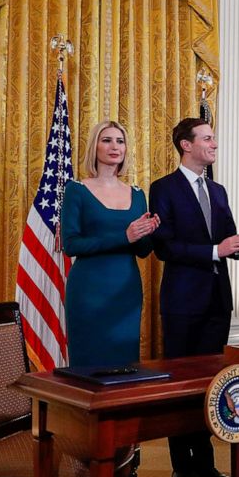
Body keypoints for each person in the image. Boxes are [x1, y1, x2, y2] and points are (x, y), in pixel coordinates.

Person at [150, 117, 239, 477]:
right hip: (182, 301)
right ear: (185, 144)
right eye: (208, 138)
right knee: (181, 386)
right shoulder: (162, 188)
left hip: (217, 301)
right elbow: (164, 247)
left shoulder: (219, 190)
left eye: (214, 137)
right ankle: (183, 468)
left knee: (211, 386)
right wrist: (216, 250)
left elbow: (225, 241)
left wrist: (238, 245)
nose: (214, 143)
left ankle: (207, 465)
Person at [62, 120, 160, 367]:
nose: (115, 146)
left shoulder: (137, 194)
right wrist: (124, 236)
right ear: (95, 147)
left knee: (124, 366)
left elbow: (142, 251)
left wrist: (149, 232)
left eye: (120, 141)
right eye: (107, 140)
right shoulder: (76, 190)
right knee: (89, 367)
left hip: (126, 291)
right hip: (89, 291)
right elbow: (71, 244)